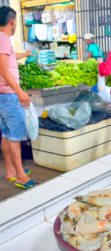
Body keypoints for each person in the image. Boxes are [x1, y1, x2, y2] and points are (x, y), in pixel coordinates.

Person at [0, 6, 37, 189]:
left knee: (7, 134)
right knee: (15, 136)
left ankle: (11, 171)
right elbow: (3, 68)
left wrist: (26, 54)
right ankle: (21, 176)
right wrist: (19, 91)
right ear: (12, 21)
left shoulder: (1, 40)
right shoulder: (4, 39)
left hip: (2, 97)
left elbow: (9, 59)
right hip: (9, 96)